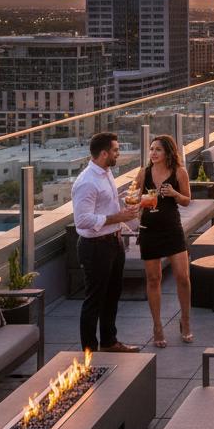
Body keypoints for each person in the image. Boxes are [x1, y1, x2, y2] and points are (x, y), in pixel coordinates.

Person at [71, 132, 142, 353]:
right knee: (94, 300)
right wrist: (117, 218)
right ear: (104, 154)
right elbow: (81, 220)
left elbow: (107, 206)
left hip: (113, 241)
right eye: (115, 151)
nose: (118, 154)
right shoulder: (87, 182)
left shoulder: (106, 173)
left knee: (112, 295)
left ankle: (110, 342)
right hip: (95, 248)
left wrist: (124, 213)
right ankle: (89, 353)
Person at [132, 134, 193, 348]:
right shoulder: (144, 173)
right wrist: (135, 203)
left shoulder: (179, 172)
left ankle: (185, 320)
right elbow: (136, 199)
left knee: (183, 277)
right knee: (153, 279)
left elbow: (186, 201)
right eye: (151, 149)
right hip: (149, 230)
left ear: (168, 152)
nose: (153, 153)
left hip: (171, 229)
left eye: (157, 149)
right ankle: (157, 326)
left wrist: (175, 193)